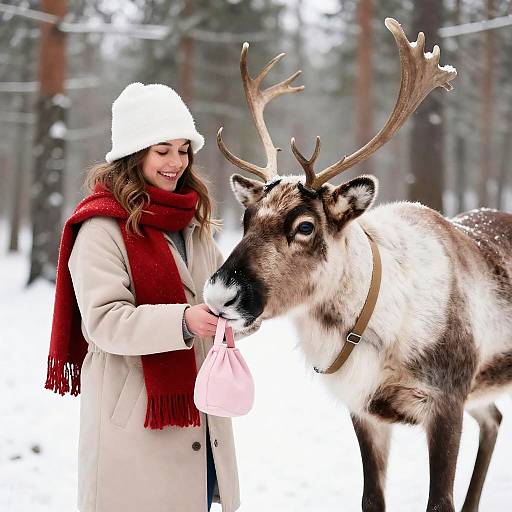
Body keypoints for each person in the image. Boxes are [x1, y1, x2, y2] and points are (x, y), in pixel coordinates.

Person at [45, 82, 256, 512]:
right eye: (163, 150)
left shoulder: (191, 224)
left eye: (183, 150)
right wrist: (184, 321)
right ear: (135, 152)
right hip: (135, 423)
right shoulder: (100, 229)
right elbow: (105, 323)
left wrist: (245, 311)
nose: (176, 162)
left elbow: (219, 298)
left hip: (198, 417)